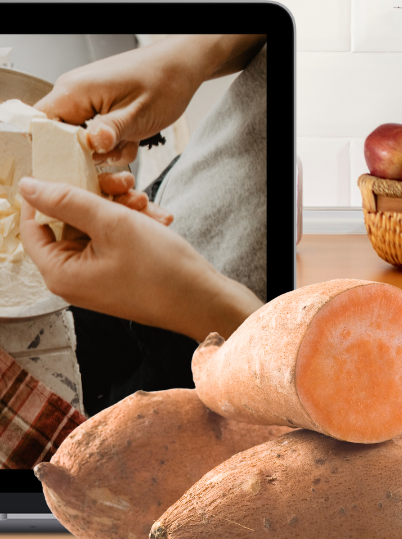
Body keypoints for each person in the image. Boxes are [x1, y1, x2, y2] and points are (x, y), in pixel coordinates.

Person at [17, 33, 268, 416]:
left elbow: (314, 390)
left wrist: (204, 302)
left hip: (229, 353)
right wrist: (188, 56)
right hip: (165, 220)